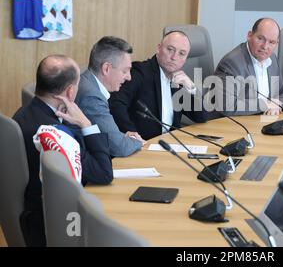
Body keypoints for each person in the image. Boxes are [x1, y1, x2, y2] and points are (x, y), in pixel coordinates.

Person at [13, 55, 113, 247]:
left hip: (32, 211)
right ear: (70, 91)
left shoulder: (24, 113)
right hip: (58, 223)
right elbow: (103, 172)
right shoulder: (57, 136)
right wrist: (86, 123)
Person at [109, 31, 207, 140]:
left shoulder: (179, 80)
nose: (174, 57)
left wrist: (192, 88)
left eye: (181, 53)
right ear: (159, 48)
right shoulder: (140, 72)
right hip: (144, 145)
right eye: (170, 49)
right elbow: (116, 104)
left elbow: (201, 117)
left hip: (171, 144)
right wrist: (132, 135)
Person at [75, 36, 144, 157]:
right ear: (106, 68)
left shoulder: (86, 83)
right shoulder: (91, 96)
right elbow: (119, 147)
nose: (129, 77)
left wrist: (123, 139)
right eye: (125, 71)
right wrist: (136, 141)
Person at [211, 18, 283, 116]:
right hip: (234, 126)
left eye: (271, 42)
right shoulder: (231, 63)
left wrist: (277, 105)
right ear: (249, 35)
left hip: (265, 121)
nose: (265, 46)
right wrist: (265, 104)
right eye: (260, 39)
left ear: (276, 44)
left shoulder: (272, 59)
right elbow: (227, 106)